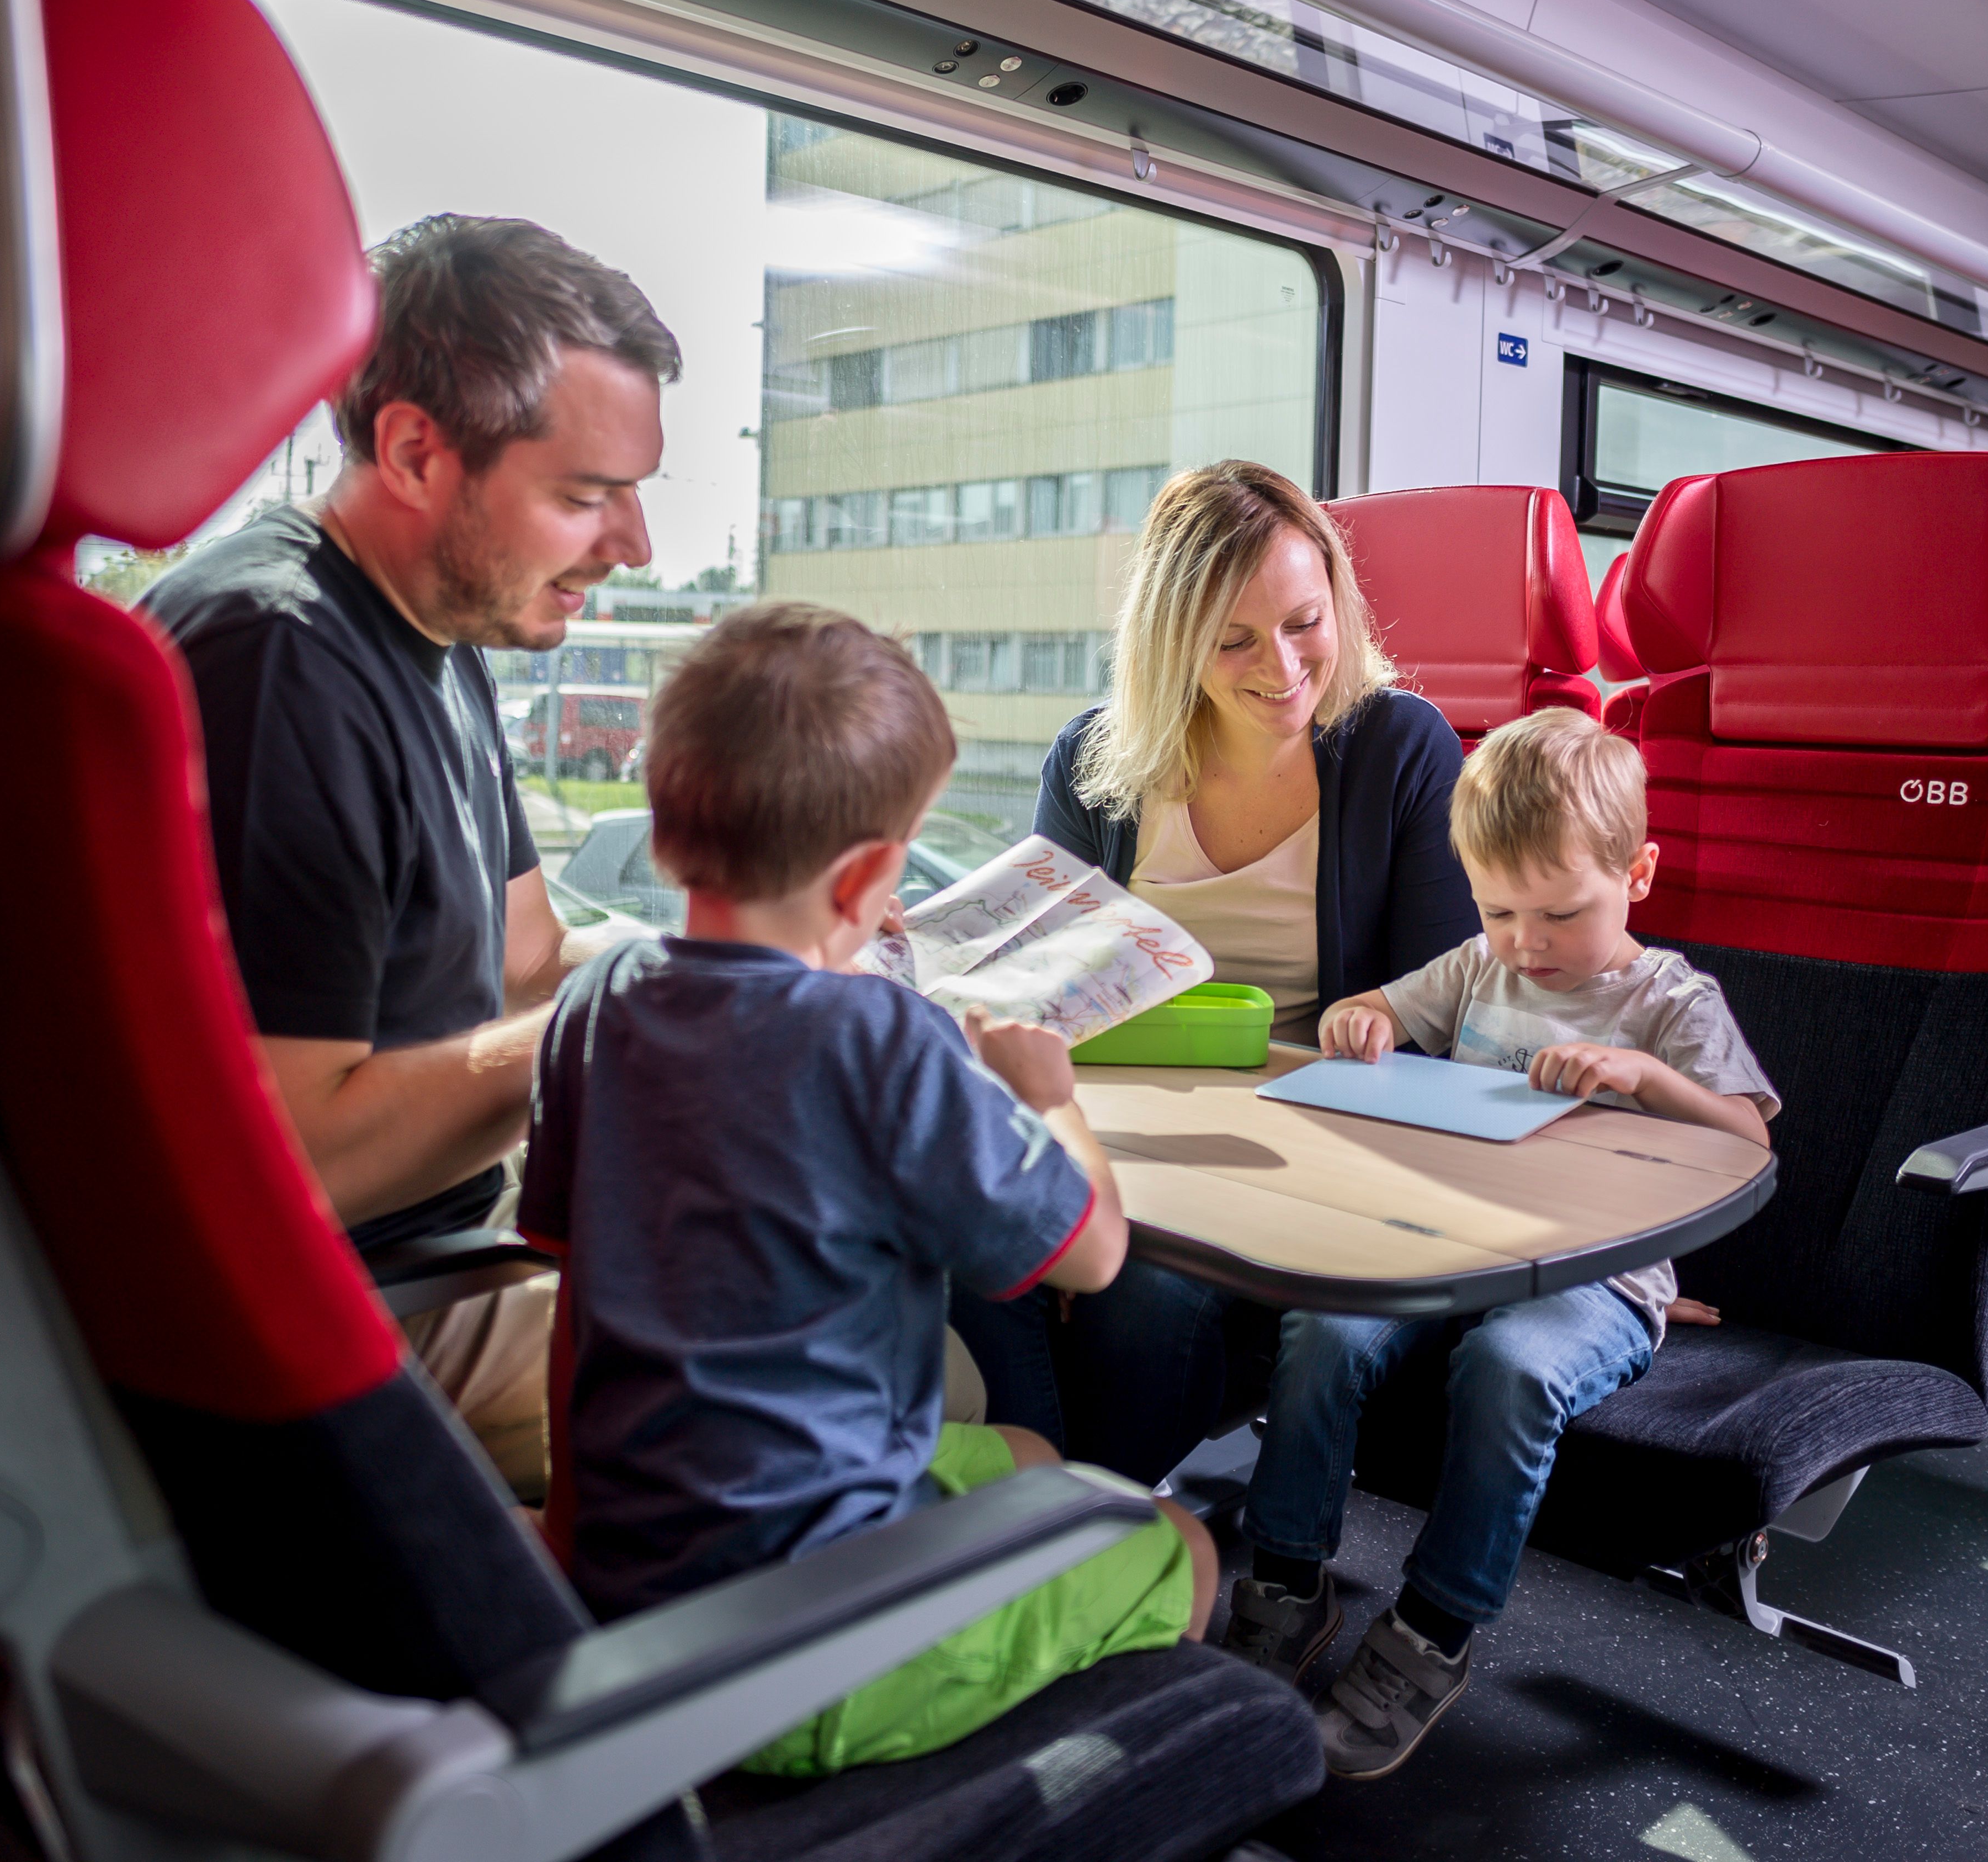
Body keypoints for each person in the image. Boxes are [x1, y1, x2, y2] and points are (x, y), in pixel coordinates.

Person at [523, 601, 1217, 1776]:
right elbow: (1094, 1253)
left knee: (1028, 1454)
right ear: (861, 883)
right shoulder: (885, 1039)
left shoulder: (599, 1002)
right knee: (1181, 1544)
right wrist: (1047, 1097)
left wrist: (563, 1533)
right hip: (802, 1653)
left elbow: (572, 1286)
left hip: (630, 1561)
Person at [140, 215, 678, 1497]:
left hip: (455, 1237)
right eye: (584, 497)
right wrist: (633, 1015)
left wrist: (754, 958)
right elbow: (298, 1160)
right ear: (417, 453)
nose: (637, 546)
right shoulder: (280, 663)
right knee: (920, 1360)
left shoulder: (441, 630)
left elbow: (528, 961)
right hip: (358, 1300)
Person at [1224, 705, 1778, 1779]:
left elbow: (1749, 1141)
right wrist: (1362, 1020)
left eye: (1561, 913)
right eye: (1499, 908)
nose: (1527, 941)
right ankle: (1288, 1580)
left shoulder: (1673, 1002)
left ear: (1639, 875)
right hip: (1459, 1248)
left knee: (1512, 1368)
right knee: (1324, 1325)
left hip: (1596, 1278)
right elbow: (1379, 1010)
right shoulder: (1482, 966)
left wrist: (1645, 1077)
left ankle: (1432, 1630)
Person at [953, 461, 1479, 1484]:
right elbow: (1036, 984)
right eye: (1234, 640)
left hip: (1303, 1153)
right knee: (970, 1248)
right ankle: (1043, 1514)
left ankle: (1061, 1520)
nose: (1282, 666)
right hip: (1112, 1133)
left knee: (1147, 1297)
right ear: (1171, 642)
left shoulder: (1399, 748)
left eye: (1305, 623)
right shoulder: (1095, 763)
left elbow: (1438, 1015)